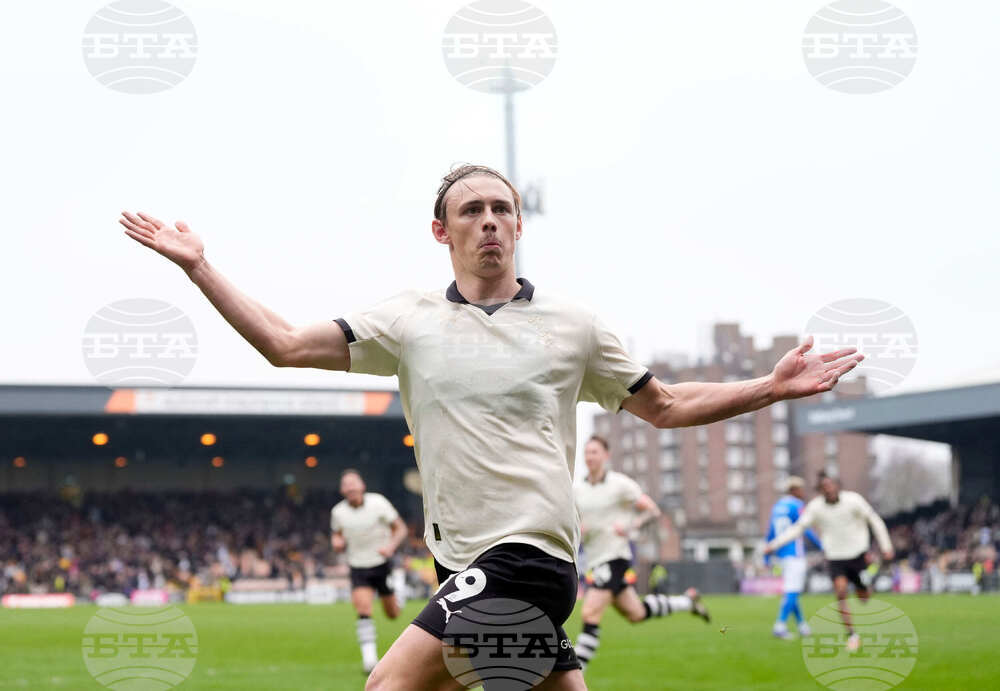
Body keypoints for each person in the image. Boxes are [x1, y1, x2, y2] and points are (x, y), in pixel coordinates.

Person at [120, 163, 864, 690]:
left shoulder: (574, 325)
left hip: (528, 554)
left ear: (518, 225)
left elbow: (664, 405)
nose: (490, 221)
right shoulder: (407, 320)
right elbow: (283, 343)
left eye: (502, 209)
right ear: (441, 230)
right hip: (461, 562)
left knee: (388, 684)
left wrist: (768, 387)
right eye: (472, 210)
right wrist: (199, 267)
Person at [573, 435, 709, 673]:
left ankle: (572, 677)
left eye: (594, 452)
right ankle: (687, 602)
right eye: (586, 452)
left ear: (606, 455)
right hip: (594, 559)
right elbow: (574, 521)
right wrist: (578, 529)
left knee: (590, 611)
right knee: (635, 613)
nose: (589, 457)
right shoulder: (578, 489)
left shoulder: (620, 484)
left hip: (615, 556)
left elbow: (652, 510)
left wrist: (631, 526)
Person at [764, 471, 894, 652]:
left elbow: (875, 520)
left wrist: (886, 546)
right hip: (835, 557)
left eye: (831, 485)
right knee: (840, 592)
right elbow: (799, 528)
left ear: (838, 486)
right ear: (820, 490)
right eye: (824, 487)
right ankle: (852, 635)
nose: (829, 490)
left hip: (857, 554)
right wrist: (773, 545)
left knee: (863, 598)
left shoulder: (854, 500)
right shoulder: (815, 507)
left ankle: (865, 588)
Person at [330, 469, 408, 673]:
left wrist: (390, 547)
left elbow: (401, 529)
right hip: (358, 566)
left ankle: (398, 588)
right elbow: (337, 536)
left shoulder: (378, 503)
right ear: (342, 490)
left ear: (362, 485)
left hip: (381, 564)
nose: (350, 487)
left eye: (353, 483)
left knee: (392, 614)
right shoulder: (338, 512)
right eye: (346, 484)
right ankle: (369, 659)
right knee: (363, 609)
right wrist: (337, 542)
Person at [764, 475, 822, 640]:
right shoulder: (796, 505)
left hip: (781, 554)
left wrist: (767, 553)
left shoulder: (777, 506)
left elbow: (770, 532)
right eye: (801, 489)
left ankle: (802, 625)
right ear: (795, 490)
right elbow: (805, 528)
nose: (803, 492)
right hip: (795, 553)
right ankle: (780, 625)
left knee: (792, 589)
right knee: (792, 590)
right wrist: (821, 545)